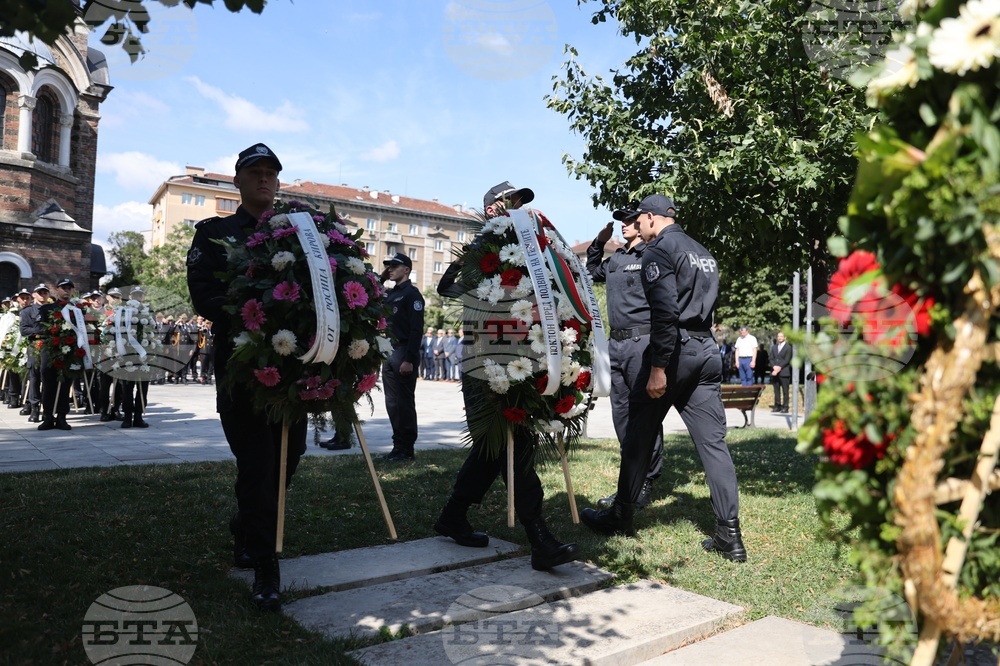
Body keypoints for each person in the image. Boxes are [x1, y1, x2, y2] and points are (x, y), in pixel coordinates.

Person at [580, 193, 747, 562]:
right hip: (707, 351)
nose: (636, 226)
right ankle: (729, 535)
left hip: (675, 355)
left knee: (638, 436)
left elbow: (665, 313)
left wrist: (657, 368)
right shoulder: (702, 252)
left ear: (653, 219)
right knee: (714, 446)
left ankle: (621, 514)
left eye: (639, 220)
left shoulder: (659, 250)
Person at [432, 180, 580, 572]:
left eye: (519, 201)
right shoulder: (483, 253)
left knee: (493, 449)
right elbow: (448, 287)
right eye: (509, 202)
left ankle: (453, 515)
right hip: (488, 364)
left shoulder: (533, 254)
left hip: (523, 356)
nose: (517, 206)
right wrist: (477, 265)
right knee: (514, 447)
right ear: (492, 210)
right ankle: (539, 536)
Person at [186, 142, 307, 612]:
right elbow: (205, 299)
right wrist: (259, 315)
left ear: (278, 182)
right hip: (243, 366)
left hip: (292, 369)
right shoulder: (215, 233)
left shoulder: (298, 235)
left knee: (289, 456)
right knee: (258, 464)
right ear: (237, 181)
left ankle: (246, 526)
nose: (263, 179)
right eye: (253, 172)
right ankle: (264, 564)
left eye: (270, 173)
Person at [586, 204, 663, 510]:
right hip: (615, 345)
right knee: (621, 415)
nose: (624, 224)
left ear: (643, 221)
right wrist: (599, 242)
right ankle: (631, 477)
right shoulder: (616, 257)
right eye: (621, 220)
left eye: (630, 219)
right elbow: (590, 272)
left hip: (641, 342)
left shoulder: (651, 254)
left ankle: (647, 480)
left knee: (645, 414)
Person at [380, 252, 425, 461]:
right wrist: (382, 276)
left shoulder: (412, 294)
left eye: (395, 266)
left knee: (404, 402)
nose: (390, 269)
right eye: (388, 266)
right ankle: (397, 446)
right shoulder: (390, 294)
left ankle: (407, 449)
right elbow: (373, 293)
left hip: (404, 352)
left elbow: (417, 330)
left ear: (406, 269)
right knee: (392, 403)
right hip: (389, 351)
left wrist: (409, 358)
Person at [36, 278, 76, 431]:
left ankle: (62, 417)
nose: (66, 291)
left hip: (70, 351)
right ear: (57, 290)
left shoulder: (77, 310)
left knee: (65, 384)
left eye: (68, 288)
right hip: (51, 351)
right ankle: (47, 417)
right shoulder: (47, 309)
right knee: (48, 384)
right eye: (63, 288)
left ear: (72, 291)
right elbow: (40, 329)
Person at [119, 287, 151, 429]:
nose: (138, 297)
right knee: (127, 388)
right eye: (135, 295)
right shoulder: (123, 312)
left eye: (140, 295)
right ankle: (127, 417)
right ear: (130, 296)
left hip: (144, 354)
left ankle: (138, 416)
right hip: (128, 354)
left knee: (142, 388)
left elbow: (153, 332)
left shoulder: (148, 312)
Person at [19, 284, 49, 423]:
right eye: (40, 292)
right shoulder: (27, 311)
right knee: (35, 377)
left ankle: (48, 408)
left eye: (45, 292)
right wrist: (40, 331)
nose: (43, 295)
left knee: (49, 378)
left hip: (50, 347)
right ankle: (35, 408)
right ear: (34, 295)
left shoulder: (52, 310)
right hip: (35, 345)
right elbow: (24, 330)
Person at [770, 331, 792, 413]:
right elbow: (771, 358)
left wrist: (779, 368)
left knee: (785, 390)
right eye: (778, 336)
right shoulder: (774, 347)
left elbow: (787, 360)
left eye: (781, 336)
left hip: (784, 372)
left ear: (785, 337)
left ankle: (785, 406)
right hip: (775, 372)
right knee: (776, 390)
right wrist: (774, 367)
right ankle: (777, 405)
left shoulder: (788, 348)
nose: (779, 338)